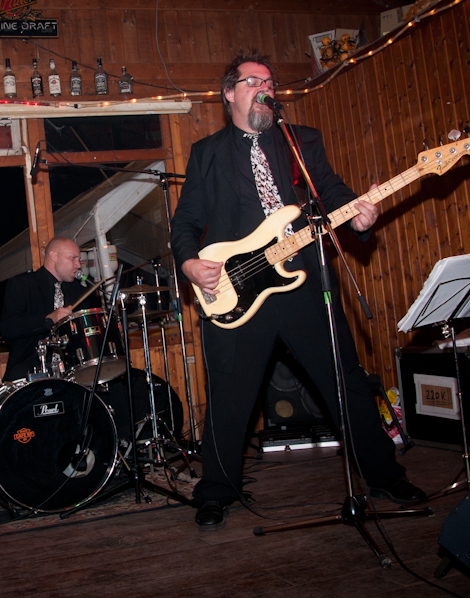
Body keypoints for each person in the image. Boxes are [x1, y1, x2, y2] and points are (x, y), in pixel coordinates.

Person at [171, 51, 425, 531]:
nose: (264, 89)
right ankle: (217, 491)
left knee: (346, 382)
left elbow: (332, 191)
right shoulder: (207, 153)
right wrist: (189, 263)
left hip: (305, 282)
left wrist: (360, 216)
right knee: (229, 395)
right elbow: (184, 222)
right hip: (237, 289)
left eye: (270, 82)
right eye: (253, 82)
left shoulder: (300, 140)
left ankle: (385, 475)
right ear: (229, 94)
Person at [0, 236, 99, 382]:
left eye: (79, 259)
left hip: (72, 367)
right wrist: (48, 320)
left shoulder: (79, 292)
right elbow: (8, 328)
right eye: (73, 258)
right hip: (30, 367)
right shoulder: (22, 284)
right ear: (53, 256)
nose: (78, 265)